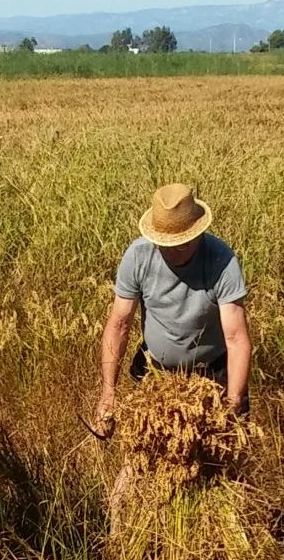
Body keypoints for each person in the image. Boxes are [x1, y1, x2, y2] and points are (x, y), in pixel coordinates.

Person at [94, 182, 251, 432]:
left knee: (218, 463)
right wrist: (108, 394)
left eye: (181, 244)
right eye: (163, 244)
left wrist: (232, 403)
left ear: (198, 234)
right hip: (157, 375)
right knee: (142, 461)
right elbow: (119, 325)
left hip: (211, 376)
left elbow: (236, 338)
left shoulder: (221, 260)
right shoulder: (138, 256)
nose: (171, 253)